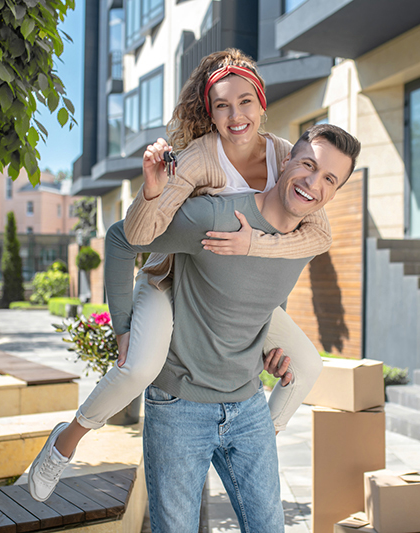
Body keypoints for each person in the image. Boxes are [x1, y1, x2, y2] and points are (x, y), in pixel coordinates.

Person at [27, 49, 331, 503]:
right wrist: (124, 323)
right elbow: (128, 237)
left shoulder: (287, 158)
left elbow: (315, 237)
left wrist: (259, 307)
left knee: (306, 366)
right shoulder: (198, 159)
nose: (237, 115)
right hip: (170, 282)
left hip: (234, 297)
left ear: (262, 104)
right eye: (223, 105)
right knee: (140, 369)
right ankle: (64, 442)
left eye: (246, 102)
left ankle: (248, 444)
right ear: (209, 111)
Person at [106, 124, 360, 532]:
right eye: (308, 165)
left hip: (248, 407)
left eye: (329, 178)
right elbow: (122, 240)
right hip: (179, 406)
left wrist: (264, 346)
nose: (314, 182)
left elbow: (267, 295)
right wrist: (123, 329)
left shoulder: (308, 238)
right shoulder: (215, 216)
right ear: (285, 161)